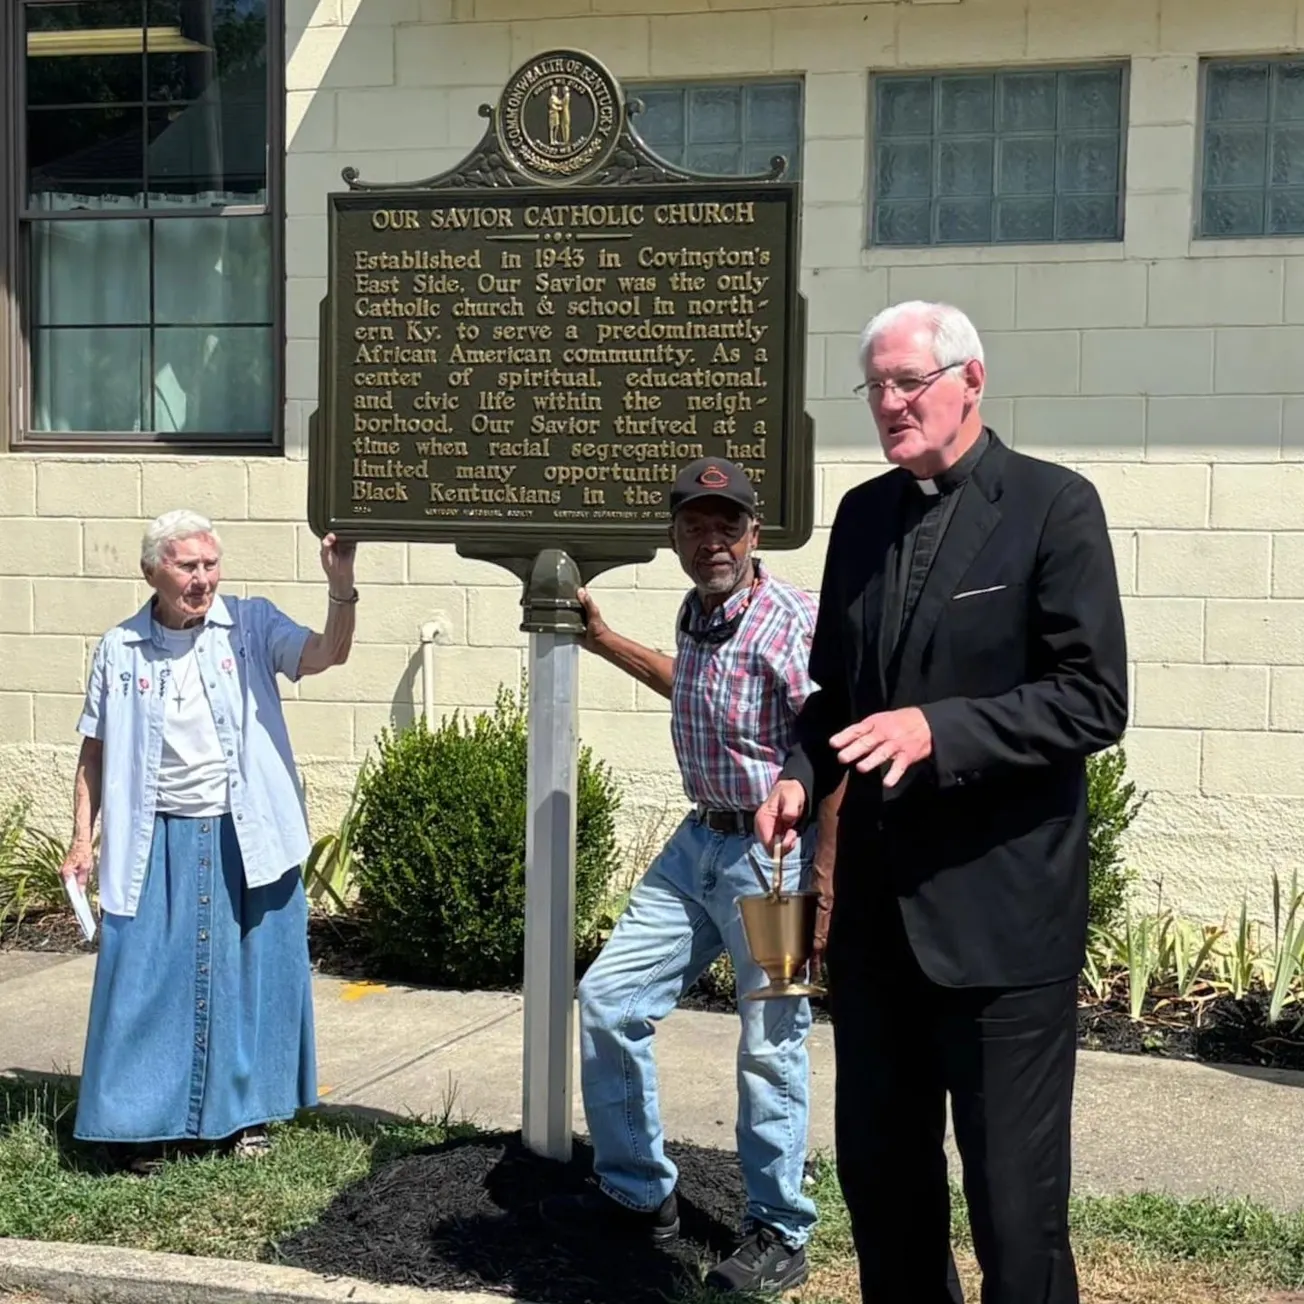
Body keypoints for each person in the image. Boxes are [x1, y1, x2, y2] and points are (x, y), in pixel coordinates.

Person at [756, 301, 1128, 1303]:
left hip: (1000, 927)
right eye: (873, 385)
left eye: (906, 381)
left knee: (1013, 1209)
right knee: (883, 1189)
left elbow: (1092, 698)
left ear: (969, 379)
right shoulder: (863, 516)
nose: (887, 402)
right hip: (877, 927)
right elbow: (832, 693)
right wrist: (798, 770)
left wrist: (938, 730)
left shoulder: (1053, 506)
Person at [539, 457, 841, 1295]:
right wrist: (604, 641)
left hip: (771, 857)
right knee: (608, 1000)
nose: (713, 541)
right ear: (674, 537)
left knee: (770, 1045)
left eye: (728, 525)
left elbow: (834, 747)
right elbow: (696, 692)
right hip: (695, 845)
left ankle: (780, 1229)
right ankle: (640, 1193)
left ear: (756, 531)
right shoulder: (696, 610)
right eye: (695, 527)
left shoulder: (792, 620)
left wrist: (824, 876)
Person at [61, 509, 359, 1172]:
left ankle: (240, 1118)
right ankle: (138, 1125)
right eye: (187, 567)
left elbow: (327, 652)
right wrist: (83, 839)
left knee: (249, 976)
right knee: (141, 981)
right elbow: (95, 747)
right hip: (155, 835)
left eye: (210, 565)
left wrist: (341, 586)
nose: (202, 580)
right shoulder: (120, 648)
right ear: (151, 573)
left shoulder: (250, 624)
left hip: (246, 831)